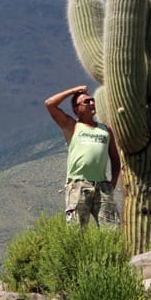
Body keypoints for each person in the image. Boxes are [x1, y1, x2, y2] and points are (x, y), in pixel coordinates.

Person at [44, 85, 121, 226]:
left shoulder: (105, 129)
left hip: (102, 185)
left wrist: (113, 181)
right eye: (86, 101)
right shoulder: (71, 126)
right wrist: (73, 91)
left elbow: (115, 158)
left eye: (92, 100)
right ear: (76, 109)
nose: (91, 103)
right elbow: (50, 104)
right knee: (76, 229)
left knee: (112, 228)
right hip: (78, 184)